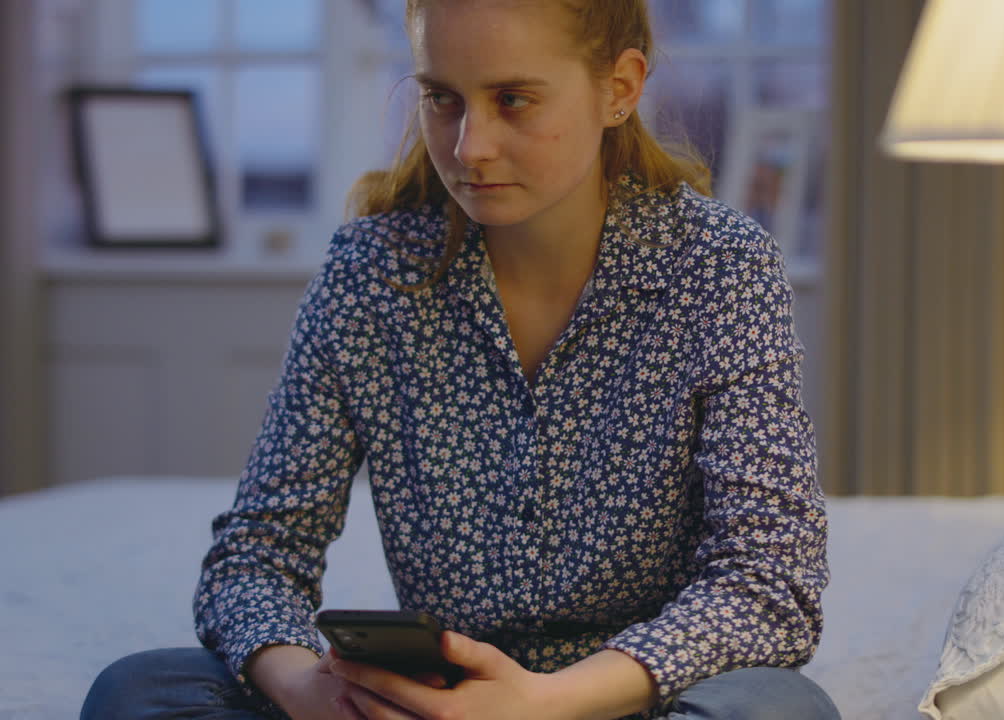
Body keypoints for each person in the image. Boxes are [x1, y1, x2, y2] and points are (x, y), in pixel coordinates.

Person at [80, 1, 835, 718]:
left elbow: (767, 582)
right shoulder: (370, 275)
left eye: (513, 100)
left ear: (620, 88)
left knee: (778, 710)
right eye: (443, 99)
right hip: (437, 699)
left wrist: (542, 704)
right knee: (135, 692)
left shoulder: (722, 269)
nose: (470, 147)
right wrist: (308, 691)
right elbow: (257, 555)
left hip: (631, 694)